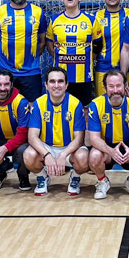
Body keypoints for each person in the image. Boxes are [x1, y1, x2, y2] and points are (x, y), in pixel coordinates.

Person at [24, 66, 89, 196]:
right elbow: (32, 136)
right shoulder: (38, 104)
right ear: (46, 85)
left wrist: (64, 154)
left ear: (66, 85)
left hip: (69, 149)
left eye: (60, 81)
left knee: (84, 158)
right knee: (28, 155)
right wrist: (47, 154)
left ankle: (75, 178)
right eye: (52, 81)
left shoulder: (75, 104)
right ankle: (42, 178)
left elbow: (79, 139)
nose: (56, 85)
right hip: (47, 147)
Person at [88, 69, 129, 199]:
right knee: (94, 156)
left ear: (125, 86)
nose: (115, 90)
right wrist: (111, 151)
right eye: (111, 86)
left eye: (118, 86)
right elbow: (94, 138)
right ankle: (102, 182)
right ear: (104, 88)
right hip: (107, 148)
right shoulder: (96, 105)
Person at [0, 0, 48, 101]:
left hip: (31, 72)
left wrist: (32, 58)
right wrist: (3, 59)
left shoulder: (38, 12)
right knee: (5, 109)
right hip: (6, 72)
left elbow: (42, 42)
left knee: (33, 109)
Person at [46, 0, 102, 107]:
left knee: (85, 112)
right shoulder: (54, 20)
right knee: (61, 110)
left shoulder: (91, 20)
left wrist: (87, 58)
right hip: (60, 79)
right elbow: (49, 44)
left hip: (84, 77)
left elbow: (98, 44)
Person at [94, 0, 129, 97]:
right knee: (104, 106)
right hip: (103, 68)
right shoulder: (96, 17)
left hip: (128, 70)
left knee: (127, 105)